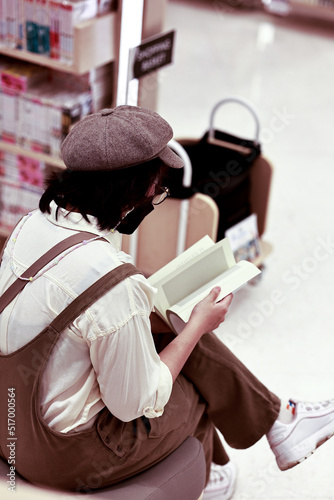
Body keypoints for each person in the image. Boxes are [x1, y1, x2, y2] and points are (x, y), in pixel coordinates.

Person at [0, 105, 334, 500]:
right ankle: (217, 473)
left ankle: (279, 421)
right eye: (157, 188)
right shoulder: (111, 282)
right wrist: (197, 327)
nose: (156, 196)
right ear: (134, 189)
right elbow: (134, 405)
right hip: (64, 457)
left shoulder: (28, 227)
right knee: (191, 385)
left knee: (160, 324)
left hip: (11, 427)